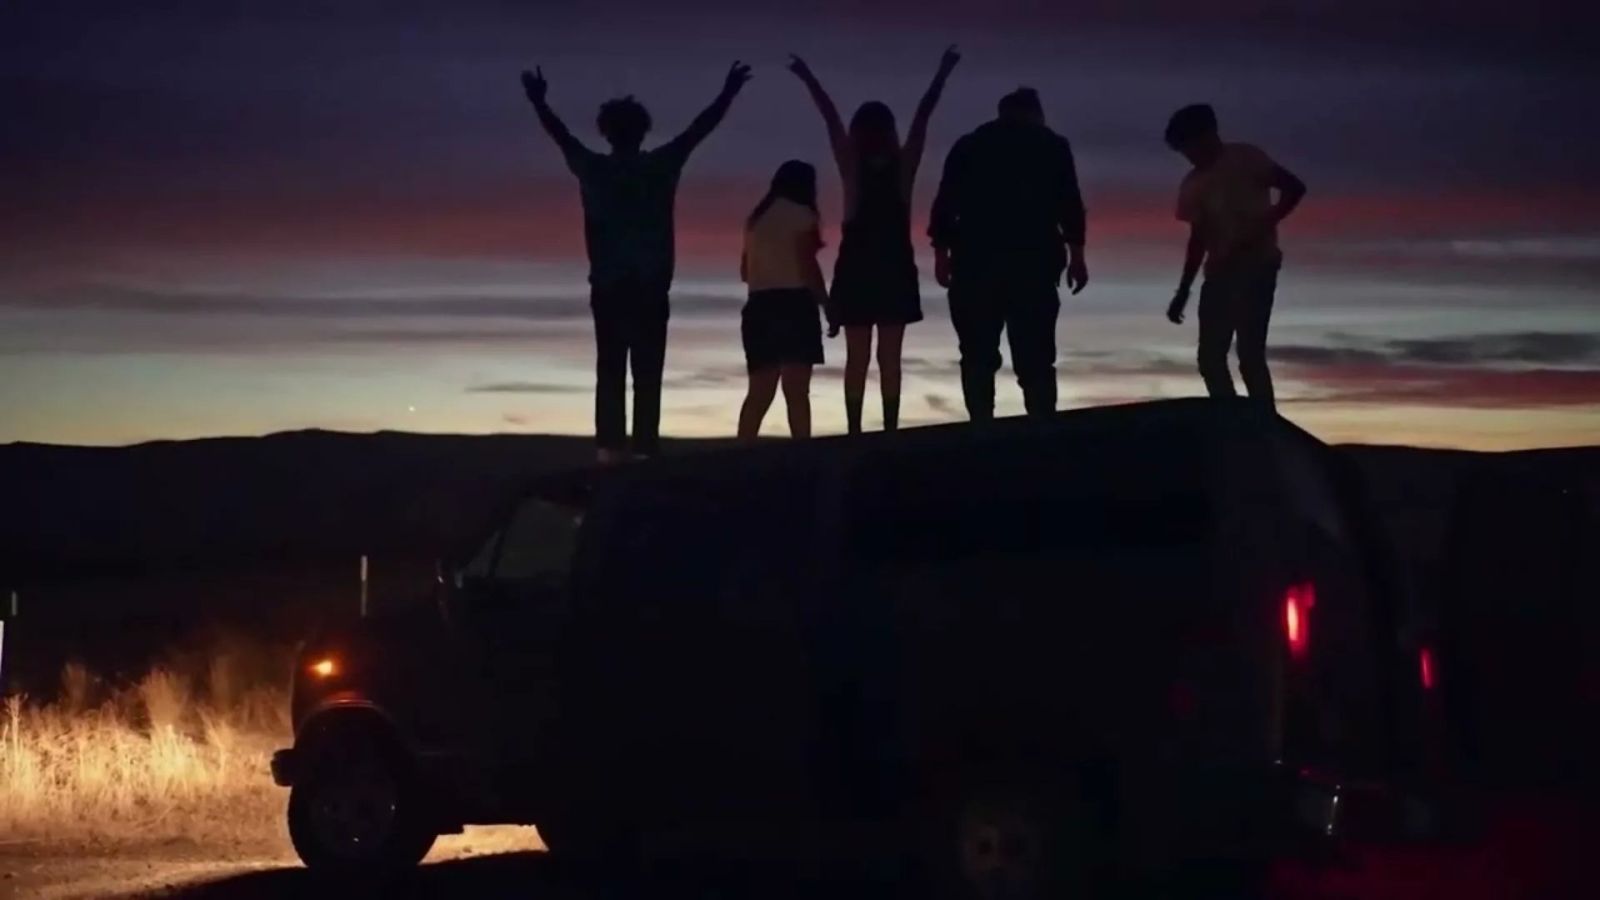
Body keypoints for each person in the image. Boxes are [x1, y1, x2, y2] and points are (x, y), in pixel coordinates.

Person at [520, 62, 753, 462]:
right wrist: (728, 92)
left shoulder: (594, 169)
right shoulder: (659, 166)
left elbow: (562, 137)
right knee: (647, 370)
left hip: (610, 285)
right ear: (642, 131)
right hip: (649, 285)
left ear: (606, 132)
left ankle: (610, 450)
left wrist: (539, 102)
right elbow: (698, 130)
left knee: (610, 368)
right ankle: (644, 449)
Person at [787, 46, 960, 434]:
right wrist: (942, 73)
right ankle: (890, 431)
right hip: (894, 265)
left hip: (858, 267)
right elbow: (922, 117)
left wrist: (808, 77)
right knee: (889, 358)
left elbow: (831, 118)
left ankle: (855, 432)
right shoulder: (902, 169)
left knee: (858, 357)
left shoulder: (853, 168)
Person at [928, 88, 1088, 420]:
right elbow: (1069, 203)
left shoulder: (969, 146)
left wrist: (941, 254)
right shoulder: (1051, 146)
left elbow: (945, 203)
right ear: (1035, 113)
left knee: (977, 354)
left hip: (974, 262)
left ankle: (981, 425)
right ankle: (1041, 426)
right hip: (1034, 263)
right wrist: (1076, 255)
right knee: (1036, 355)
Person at [1162, 103, 1306, 408]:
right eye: (1183, 151)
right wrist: (1183, 291)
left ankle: (1263, 423)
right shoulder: (1192, 184)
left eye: (1190, 145)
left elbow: (1294, 188)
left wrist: (1266, 223)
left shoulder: (1246, 158)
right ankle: (1229, 418)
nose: (1189, 155)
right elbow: (1198, 238)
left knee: (1250, 355)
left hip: (1258, 265)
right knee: (1210, 358)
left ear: (1209, 135)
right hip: (1219, 272)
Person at [738, 161, 827, 442]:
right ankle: (803, 453)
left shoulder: (756, 221)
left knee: (759, 393)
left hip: (758, 306)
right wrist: (826, 303)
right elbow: (807, 264)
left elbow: (744, 272)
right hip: (794, 305)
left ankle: (739, 453)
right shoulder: (802, 215)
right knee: (797, 392)